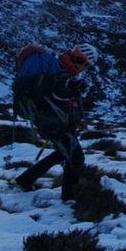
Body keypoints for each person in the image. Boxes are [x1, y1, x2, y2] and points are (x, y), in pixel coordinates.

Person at [13, 43, 98, 201]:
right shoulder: (59, 73)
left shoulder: (59, 69)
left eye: (84, 63)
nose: (82, 66)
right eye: (82, 61)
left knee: (62, 153)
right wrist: (71, 89)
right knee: (76, 157)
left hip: (52, 121)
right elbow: (56, 97)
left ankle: (25, 180)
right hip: (53, 123)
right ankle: (69, 198)